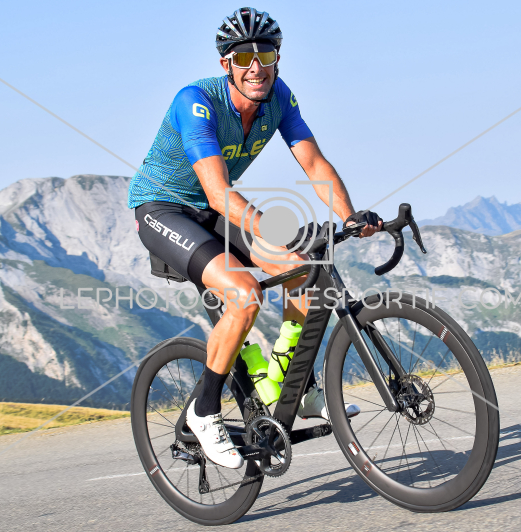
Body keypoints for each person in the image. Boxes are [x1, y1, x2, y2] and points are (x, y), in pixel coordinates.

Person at [128, 7, 382, 469]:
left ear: (277, 58)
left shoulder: (279, 97)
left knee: (303, 269)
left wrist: (349, 216)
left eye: (264, 54)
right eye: (243, 56)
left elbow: (315, 164)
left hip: (213, 209)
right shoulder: (196, 102)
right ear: (226, 63)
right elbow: (218, 193)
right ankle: (204, 411)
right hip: (163, 209)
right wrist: (275, 228)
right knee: (245, 294)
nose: (255, 66)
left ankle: (295, 388)